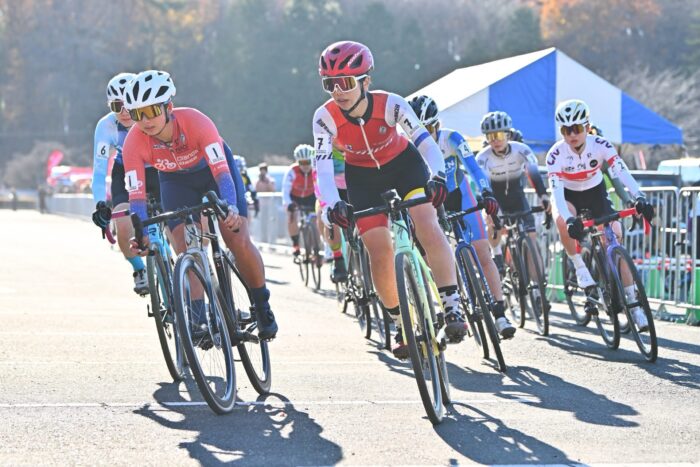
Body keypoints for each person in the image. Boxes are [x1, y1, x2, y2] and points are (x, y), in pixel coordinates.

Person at [313, 41, 466, 359]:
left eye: (346, 82)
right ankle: (401, 322)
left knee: (426, 223)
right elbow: (323, 169)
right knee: (379, 252)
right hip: (362, 178)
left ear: (366, 81)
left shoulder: (392, 105)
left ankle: (452, 304)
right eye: (330, 84)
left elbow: (425, 143)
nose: (338, 91)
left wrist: (437, 176)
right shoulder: (324, 117)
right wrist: (332, 205)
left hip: (404, 167)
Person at [122, 70, 277, 340]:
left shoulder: (196, 122)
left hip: (213, 173)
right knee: (187, 248)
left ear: (168, 107)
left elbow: (222, 172)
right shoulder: (133, 142)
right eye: (137, 114)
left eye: (151, 111)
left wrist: (229, 207)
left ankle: (262, 305)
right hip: (174, 181)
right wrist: (141, 233)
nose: (145, 121)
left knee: (236, 237)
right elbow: (136, 196)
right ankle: (197, 319)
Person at [409, 95, 515, 338]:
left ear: (438, 124)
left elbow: (473, 168)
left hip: (460, 195)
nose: (426, 136)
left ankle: (500, 313)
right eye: (419, 130)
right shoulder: (410, 147)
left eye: (430, 129)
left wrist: (487, 192)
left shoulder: (452, 138)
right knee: (430, 257)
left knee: (482, 252)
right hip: (431, 204)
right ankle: (448, 304)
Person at [546, 99, 654, 330]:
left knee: (615, 237)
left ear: (587, 126)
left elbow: (620, 171)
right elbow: (556, 194)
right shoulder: (555, 154)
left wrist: (639, 196)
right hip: (568, 196)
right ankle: (580, 266)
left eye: (577, 128)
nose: (572, 135)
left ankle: (633, 305)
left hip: (595, 193)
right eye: (566, 130)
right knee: (562, 222)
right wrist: (569, 219)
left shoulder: (601, 145)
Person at [90, 72, 160, 295]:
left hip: (156, 167)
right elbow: (99, 172)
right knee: (122, 223)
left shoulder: (151, 117)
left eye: (127, 104)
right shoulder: (106, 126)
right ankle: (139, 269)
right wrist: (100, 204)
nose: (122, 111)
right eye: (116, 106)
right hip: (125, 170)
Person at [476, 111, 550, 287]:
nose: (496, 140)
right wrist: (489, 209)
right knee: (492, 224)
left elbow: (534, 174)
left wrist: (543, 196)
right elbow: (481, 185)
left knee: (531, 239)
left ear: (508, 134)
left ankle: (538, 289)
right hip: (496, 201)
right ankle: (497, 254)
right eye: (491, 136)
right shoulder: (482, 158)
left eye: (500, 135)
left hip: (518, 199)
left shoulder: (522, 150)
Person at [313, 147, 348, 283]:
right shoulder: (322, 148)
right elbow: (317, 179)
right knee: (330, 216)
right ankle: (338, 258)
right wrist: (324, 202)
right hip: (330, 189)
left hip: (352, 186)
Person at [282, 144, 318, 258]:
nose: (305, 165)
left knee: (316, 219)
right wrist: (288, 204)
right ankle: (296, 245)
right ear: (297, 161)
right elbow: (285, 190)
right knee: (292, 216)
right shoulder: (292, 171)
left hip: (311, 197)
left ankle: (316, 246)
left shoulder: (316, 169)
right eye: (302, 163)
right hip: (295, 197)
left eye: (308, 162)